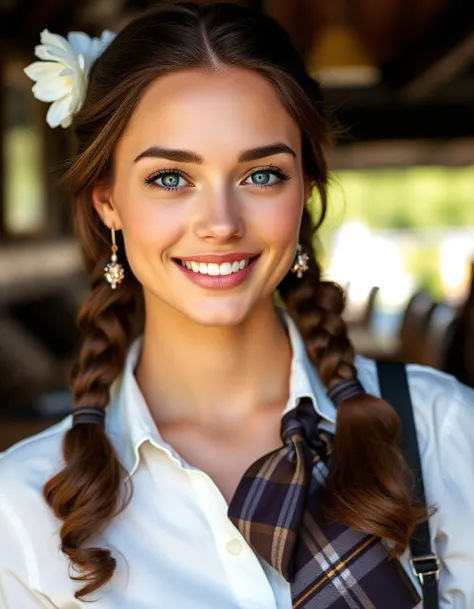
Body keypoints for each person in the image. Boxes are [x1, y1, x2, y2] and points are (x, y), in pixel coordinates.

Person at [0, 3, 473, 608]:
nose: (220, 224)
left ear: (305, 190)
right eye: (171, 177)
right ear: (108, 204)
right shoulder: (23, 508)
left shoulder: (444, 432)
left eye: (262, 175)